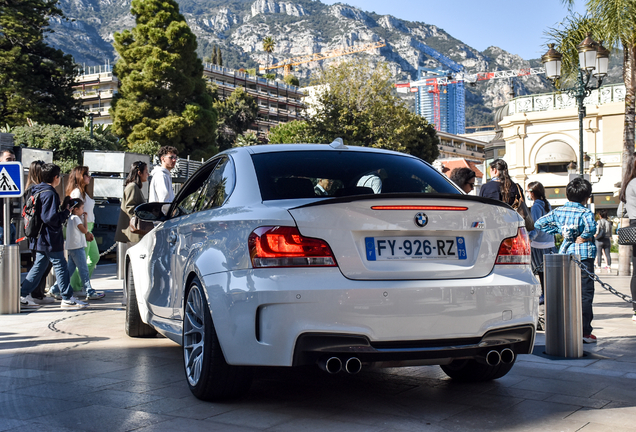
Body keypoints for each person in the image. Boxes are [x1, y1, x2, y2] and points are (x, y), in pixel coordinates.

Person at [535, 177, 597, 343]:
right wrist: (583, 236)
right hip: (584, 256)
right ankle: (585, 332)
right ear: (586, 197)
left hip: (565, 254)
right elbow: (591, 229)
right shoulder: (585, 212)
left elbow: (539, 223)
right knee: (585, 293)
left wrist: (561, 230)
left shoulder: (558, 211)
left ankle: (566, 327)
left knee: (566, 292)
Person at [20, 163, 88, 309]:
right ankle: (67, 298)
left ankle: (21, 295)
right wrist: (66, 212)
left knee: (38, 267)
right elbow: (50, 218)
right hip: (50, 238)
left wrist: (63, 208)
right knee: (61, 266)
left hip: (37, 237)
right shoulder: (50, 193)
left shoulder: (36, 190)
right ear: (56, 177)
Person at [48, 199, 105, 300]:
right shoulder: (76, 219)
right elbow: (84, 230)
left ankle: (55, 288)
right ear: (75, 209)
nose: (83, 210)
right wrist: (85, 219)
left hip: (73, 248)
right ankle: (89, 291)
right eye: (82, 208)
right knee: (83, 270)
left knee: (69, 271)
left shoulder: (70, 218)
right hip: (78, 248)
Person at [23, 161, 55, 304]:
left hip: (37, 232)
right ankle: (31, 293)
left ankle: (37, 293)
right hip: (37, 233)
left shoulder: (34, 188)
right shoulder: (34, 189)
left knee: (43, 263)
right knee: (40, 263)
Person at [66, 166, 100, 292]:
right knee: (80, 262)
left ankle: (78, 284)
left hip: (87, 227)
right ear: (80, 176)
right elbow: (76, 214)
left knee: (93, 257)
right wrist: (84, 231)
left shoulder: (83, 192)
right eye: (86, 174)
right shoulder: (77, 193)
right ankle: (76, 286)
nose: (89, 177)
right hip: (82, 228)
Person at [526, 181, 556, 305]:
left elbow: (536, 226)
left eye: (528, 191)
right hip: (549, 242)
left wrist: (529, 238)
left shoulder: (536, 207)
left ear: (532, 193)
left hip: (538, 244)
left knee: (539, 272)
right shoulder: (547, 204)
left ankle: (544, 294)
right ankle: (548, 294)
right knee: (545, 272)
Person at [619, 152, 636, 322]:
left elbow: (619, 211)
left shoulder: (628, 184)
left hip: (634, 225)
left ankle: (635, 309)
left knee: (635, 271)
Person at [115, 161, 150, 246]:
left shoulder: (134, 187)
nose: (148, 174)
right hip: (133, 233)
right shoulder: (132, 187)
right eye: (146, 172)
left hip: (134, 232)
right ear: (139, 173)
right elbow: (130, 208)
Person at [0, 148, 17, 244]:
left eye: (14, 160)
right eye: (8, 159)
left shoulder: (13, 175)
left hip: (10, 224)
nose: (12, 162)